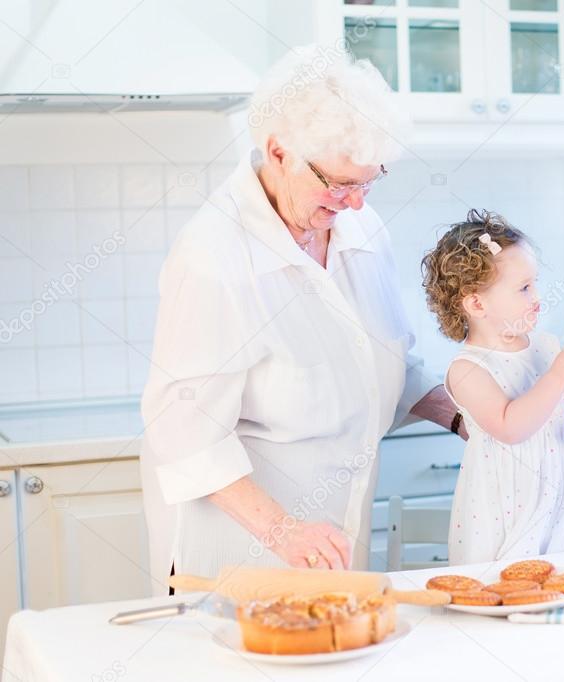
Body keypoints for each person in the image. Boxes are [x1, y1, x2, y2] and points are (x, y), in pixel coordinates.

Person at [139, 46, 464, 593]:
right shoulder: (214, 256)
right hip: (241, 552)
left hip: (333, 540)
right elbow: (182, 430)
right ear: (278, 151)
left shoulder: (360, 227)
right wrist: (285, 532)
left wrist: (465, 417)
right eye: (340, 182)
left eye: (370, 180)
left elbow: (384, 362)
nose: (357, 202)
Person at [421, 210, 564, 565]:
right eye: (524, 288)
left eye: (536, 283)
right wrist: (557, 375)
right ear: (477, 303)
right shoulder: (468, 370)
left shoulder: (543, 345)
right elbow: (511, 427)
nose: (537, 296)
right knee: (514, 585)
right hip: (513, 503)